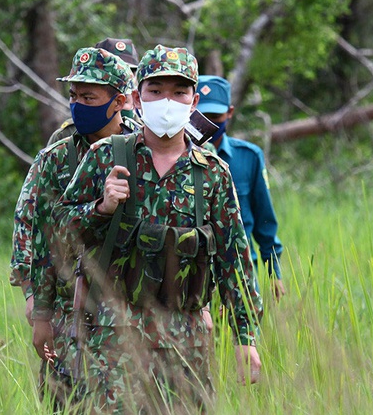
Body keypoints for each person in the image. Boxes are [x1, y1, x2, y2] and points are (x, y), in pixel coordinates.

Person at [52, 45, 263, 413]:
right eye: (156, 90)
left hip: (187, 341)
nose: (167, 101)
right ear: (136, 97)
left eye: (179, 92)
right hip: (114, 340)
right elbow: (60, 234)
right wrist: (101, 208)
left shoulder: (211, 172)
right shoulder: (105, 156)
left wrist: (245, 338)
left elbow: (235, 260)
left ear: (194, 100)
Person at [10, 47, 139, 408]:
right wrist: (36, 302)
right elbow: (33, 228)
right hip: (71, 307)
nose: (78, 104)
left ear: (119, 101)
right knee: (65, 400)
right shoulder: (57, 157)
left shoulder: (145, 150)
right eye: (74, 96)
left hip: (136, 309)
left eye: (89, 97)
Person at [196, 75, 285, 300]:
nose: (210, 124)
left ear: (230, 113)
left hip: (240, 273)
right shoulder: (175, 158)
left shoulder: (248, 157)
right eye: (203, 116)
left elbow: (264, 218)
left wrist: (273, 271)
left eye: (216, 116)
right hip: (193, 276)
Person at [47, 37, 141, 145]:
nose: (122, 80)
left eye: (129, 72)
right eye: (73, 96)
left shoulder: (145, 139)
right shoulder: (63, 145)